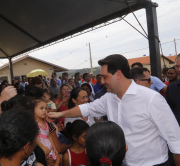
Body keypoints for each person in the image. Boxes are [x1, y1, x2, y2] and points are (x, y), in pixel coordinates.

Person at [48, 54, 180, 166]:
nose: (102, 81)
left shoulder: (151, 99)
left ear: (118, 74)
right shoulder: (109, 98)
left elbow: (175, 139)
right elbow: (86, 109)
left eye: (105, 77)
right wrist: (59, 113)